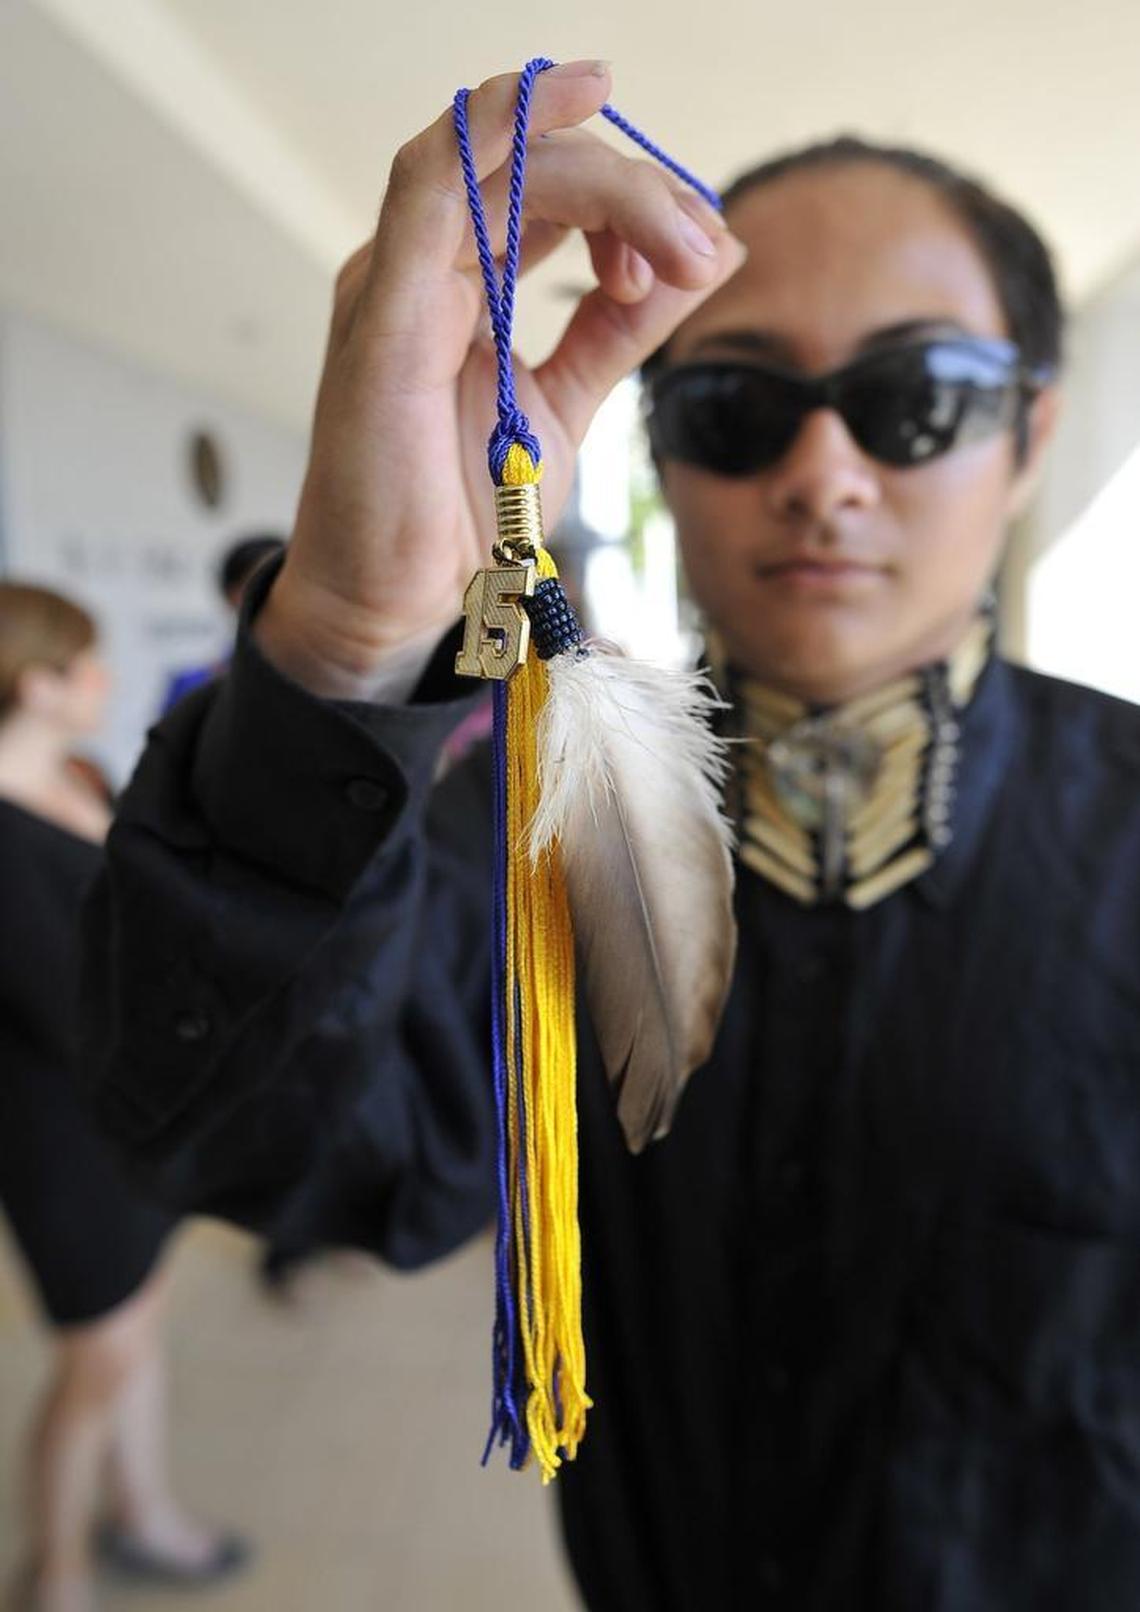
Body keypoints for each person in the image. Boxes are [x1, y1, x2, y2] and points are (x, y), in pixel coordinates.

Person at [82, 63, 1140, 1610]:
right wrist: (350, 632)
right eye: (737, 406)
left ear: (1030, 436)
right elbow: (265, 1152)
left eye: (919, 400)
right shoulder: (529, 823)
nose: (824, 475)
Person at [0, 584, 249, 1611]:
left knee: (135, 1333)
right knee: (97, 1358)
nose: (103, 679)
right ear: (33, 681)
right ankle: (52, 1574)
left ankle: (140, 1512)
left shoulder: (73, 772)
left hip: (135, 1121)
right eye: (84, 662)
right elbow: (74, 1004)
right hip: (63, 1138)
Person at [159, 533, 285, 713]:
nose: (276, 597)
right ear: (232, 595)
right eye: (262, 584)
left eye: (284, 584)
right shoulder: (194, 686)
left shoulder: (324, 684)